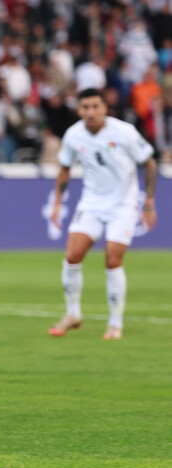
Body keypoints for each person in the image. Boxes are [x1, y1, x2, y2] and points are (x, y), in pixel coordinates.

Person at [48, 88, 158, 340]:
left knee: (112, 260)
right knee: (72, 256)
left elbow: (149, 162)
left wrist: (149, 202)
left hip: (123, 205)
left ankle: (115, 323)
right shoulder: (73, 135)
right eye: (85, 107)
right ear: (78, 110)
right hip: (91, 203)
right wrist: (57, 202)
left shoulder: (124, 132)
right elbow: (64, 168)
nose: (90, 112)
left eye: (95, 106)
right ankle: (73, 313)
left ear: (104, 108)